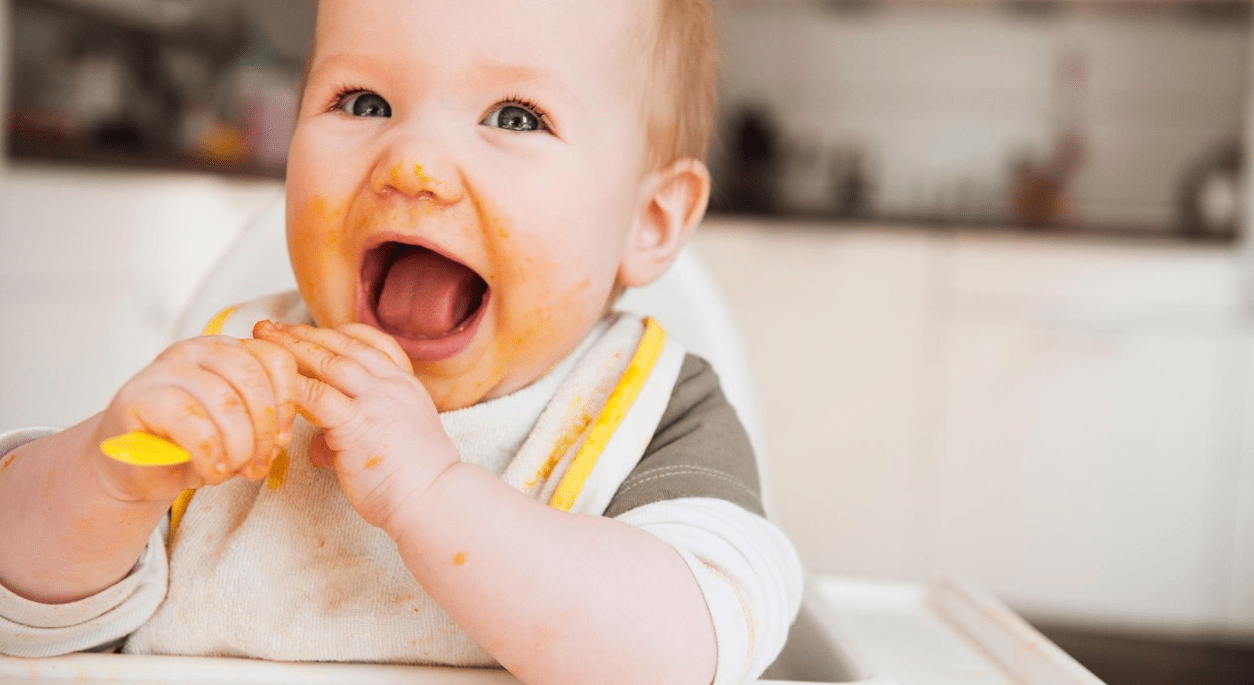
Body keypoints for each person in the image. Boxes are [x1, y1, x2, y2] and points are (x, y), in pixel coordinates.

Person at [0, 1, 803, 683]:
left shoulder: (649, 411)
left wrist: (432, 492)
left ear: (648, 219)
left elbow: (685, 647)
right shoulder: (236, 374)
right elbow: (22, 606)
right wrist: (102, 481)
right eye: (364, 103)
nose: (412, 162)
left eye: (516, 117)